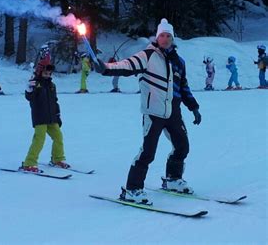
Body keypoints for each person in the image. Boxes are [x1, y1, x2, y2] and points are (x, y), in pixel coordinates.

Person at [94, 18, 201, 204]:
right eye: (162, 35)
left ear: (172, 38)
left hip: (173, 112)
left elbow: (184, 87)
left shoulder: (179, 62)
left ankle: (173, 179)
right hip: (154, 111)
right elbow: (127, 65)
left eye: (168, 36)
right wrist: (106, 68)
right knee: (148, 152)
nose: (165, 39)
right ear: (157, 38)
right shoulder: (148, 55)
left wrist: (194, 107)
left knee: (182, 146)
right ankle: (132, 189)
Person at [20, 59, 69, 172]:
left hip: (52, 117)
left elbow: (55, 101)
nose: (47, 75)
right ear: (39, 72)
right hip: (40, 117)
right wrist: (29, 90)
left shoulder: (52, 86)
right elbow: (30, 98)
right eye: (45, 73)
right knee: (39, 139)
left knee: (58, 137)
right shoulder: (35, 84)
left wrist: (58, 115)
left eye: (49, 74)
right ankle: (29, 162)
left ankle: (57, 159)